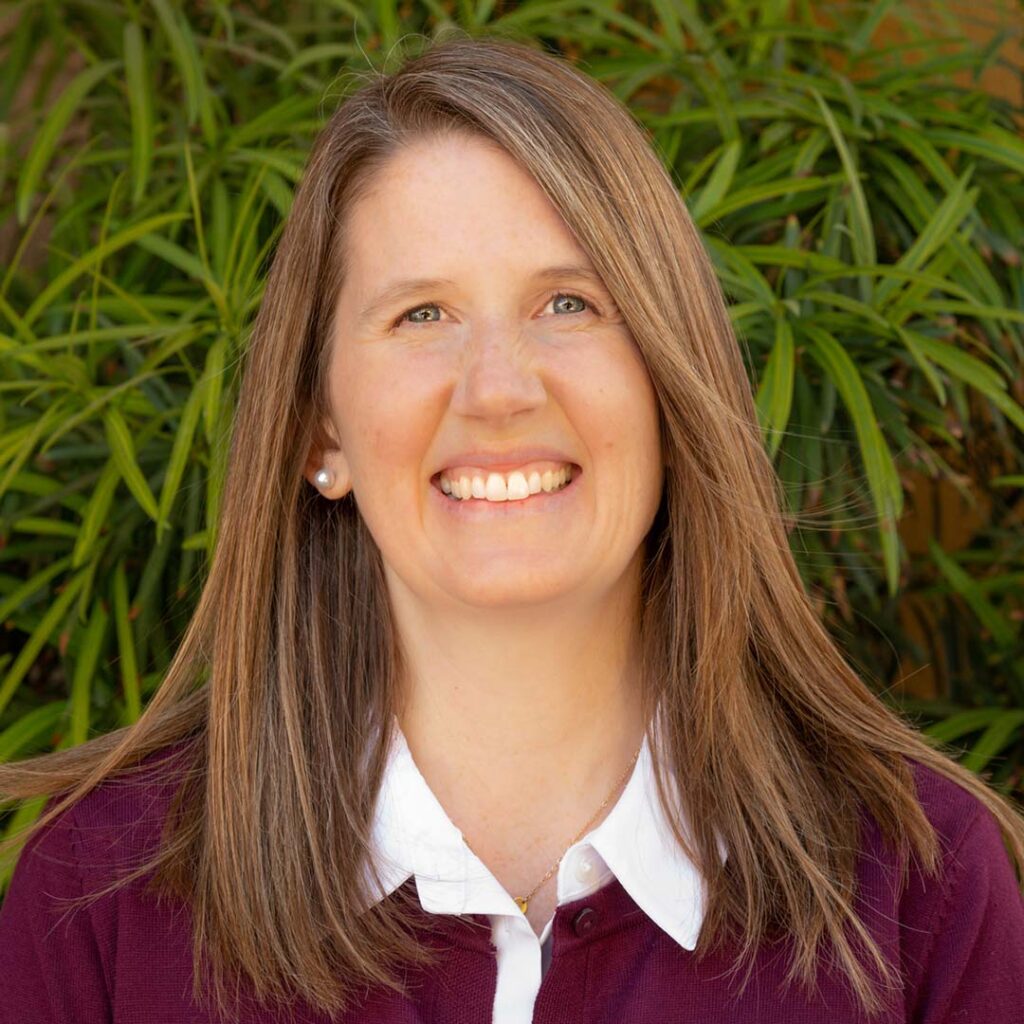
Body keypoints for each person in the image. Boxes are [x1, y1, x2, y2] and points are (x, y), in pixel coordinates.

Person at [1, 29, 1023, 1024]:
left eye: (569, 304)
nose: (496, 388)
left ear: (673, 378)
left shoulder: (919, 888)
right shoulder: (98, 898)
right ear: (321, 430)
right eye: (421, 315)